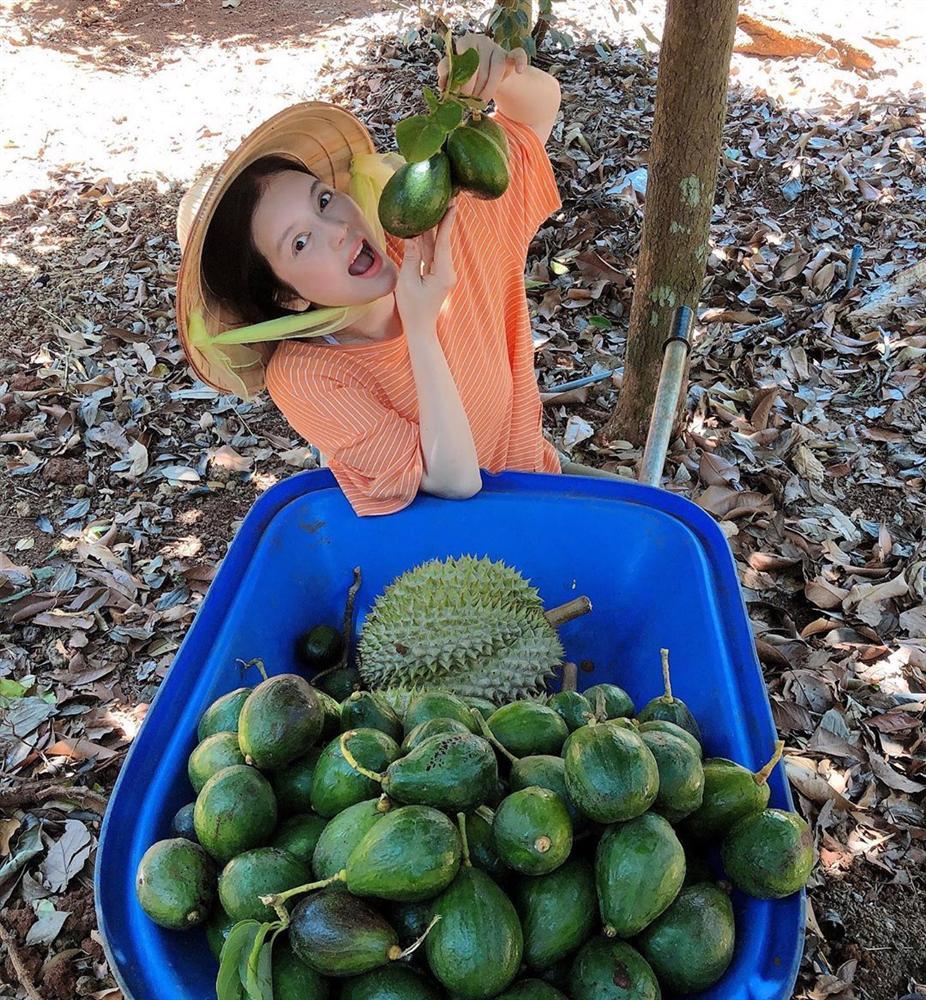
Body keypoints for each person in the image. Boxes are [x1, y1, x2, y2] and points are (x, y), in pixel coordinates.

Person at [176, 31, 588, 517]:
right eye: (300, 242)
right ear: (286, 297)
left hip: (543, 499)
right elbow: (454, 483)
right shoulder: (309, 375)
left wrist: (499, 75)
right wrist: (420, 326)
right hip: (439, 561)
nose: (337, 229)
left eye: (324, 199)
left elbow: (533, 118)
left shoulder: (434, 235)